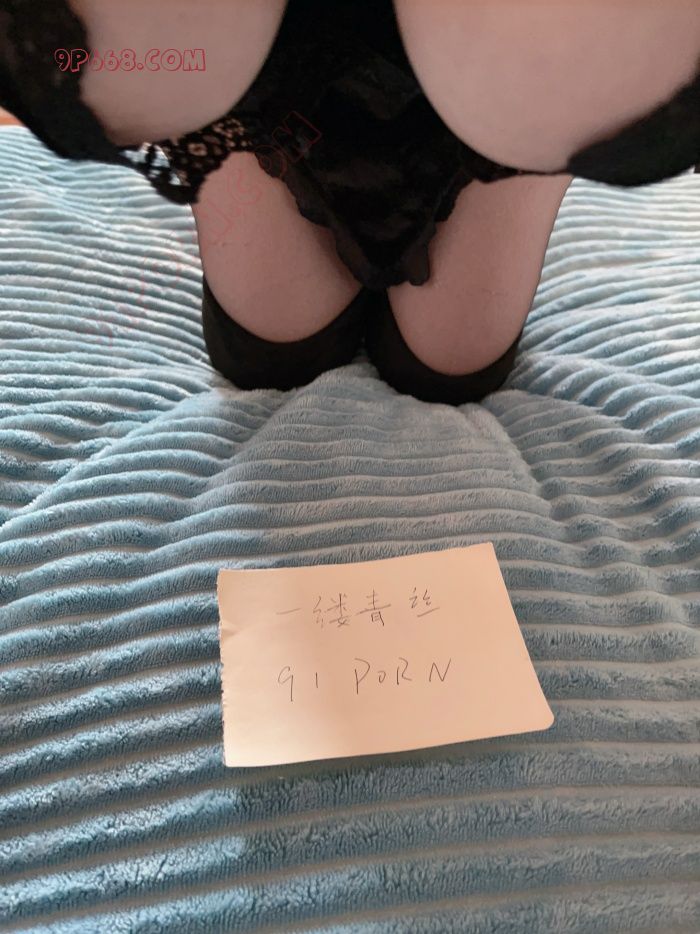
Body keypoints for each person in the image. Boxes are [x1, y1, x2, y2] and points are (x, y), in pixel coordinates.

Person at [0, 0, 698, 405]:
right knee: (271, 354)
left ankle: (533, 147)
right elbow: (100, 69)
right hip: (269, 72)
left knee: (450, 368)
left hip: (504, 79)